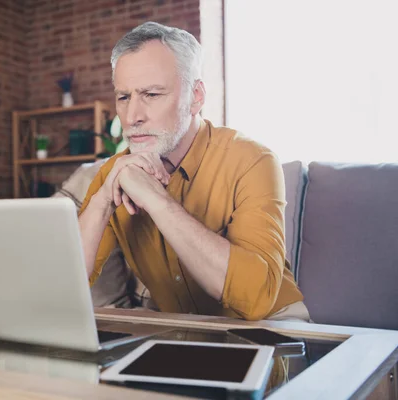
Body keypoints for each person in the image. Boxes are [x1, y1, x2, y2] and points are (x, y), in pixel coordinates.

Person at [78, 22, 310, 322]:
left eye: (151, 94)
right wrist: (102, 202)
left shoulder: (252, 159)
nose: (132, 117)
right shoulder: (115, 173)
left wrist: (157, 200)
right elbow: (60, 289)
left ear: (196, 97)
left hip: (276, 325)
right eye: (124, 97)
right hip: (184, 329)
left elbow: (255, 301)